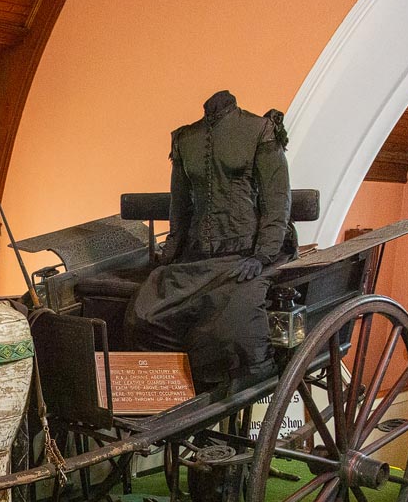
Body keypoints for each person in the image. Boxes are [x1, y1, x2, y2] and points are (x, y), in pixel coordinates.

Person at [126, 90, 295, 390]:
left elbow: (276, 199)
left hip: (246, 254)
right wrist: (169, 253)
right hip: (197, 257)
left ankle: (234, 378)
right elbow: (179, 208)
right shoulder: (185, 139)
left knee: (229, 322)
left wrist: (262, 255)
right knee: (145, 312)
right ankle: (175, 384)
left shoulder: (259, 129)